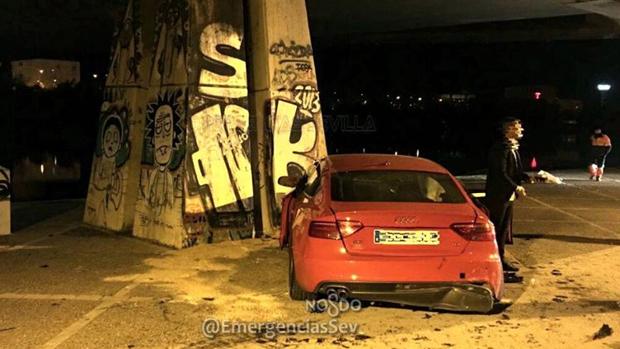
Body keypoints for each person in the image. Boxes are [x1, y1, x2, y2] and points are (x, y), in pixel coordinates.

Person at [485, 117, 530, 278]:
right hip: (498, 195)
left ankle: (501, 258)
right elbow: (500, 173)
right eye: (518, 127)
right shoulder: (501, 148)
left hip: (508, 195)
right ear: (509, 129)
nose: (521, 130)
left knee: (504, 229)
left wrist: (527, 177)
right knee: (497, 228)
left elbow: (514, 171)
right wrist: (515, 186)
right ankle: (495, 259)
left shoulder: (512, 147)